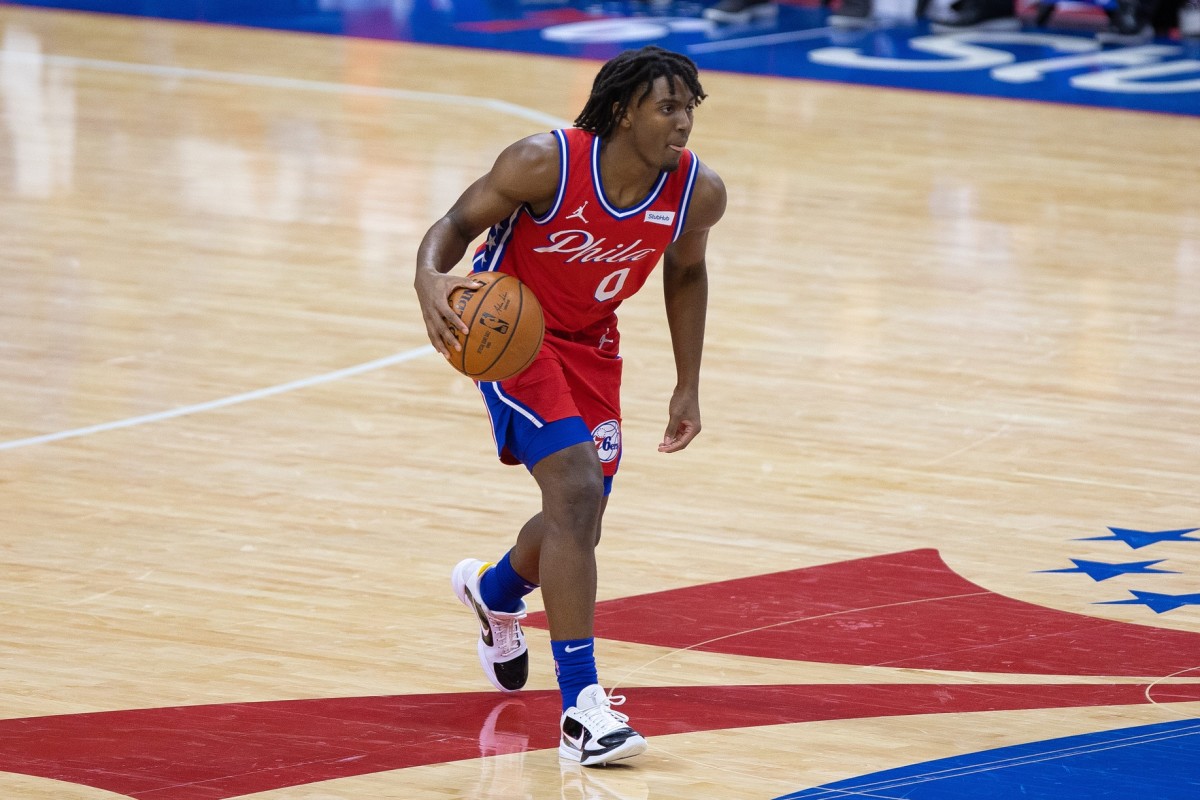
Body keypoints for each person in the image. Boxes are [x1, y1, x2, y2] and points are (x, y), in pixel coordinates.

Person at [413, 45, 727, 768]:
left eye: (689, 108)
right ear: (623, 111)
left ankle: (496, 591)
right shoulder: (543, 163)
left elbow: (688, 273)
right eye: (667, 107)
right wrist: (428, 278)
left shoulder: (696, 191)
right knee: (577, 491)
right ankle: (583, 709)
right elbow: (455, 223)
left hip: (592, 344)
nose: (683, 122)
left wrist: (687, 382)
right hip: (511, 336)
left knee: (581, 515)